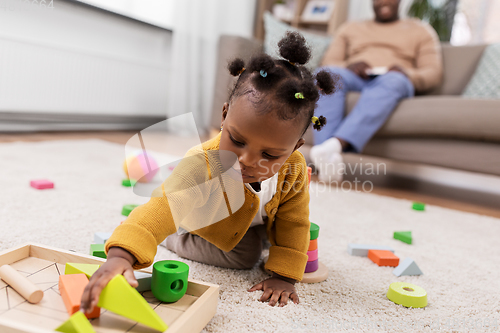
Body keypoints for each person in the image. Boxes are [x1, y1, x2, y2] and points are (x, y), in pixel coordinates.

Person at [80, 31, 336, 312]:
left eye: (270, 154)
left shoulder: (295, 168)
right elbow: (165, 205)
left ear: (295, 147)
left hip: (254, 220)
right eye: (237, 141)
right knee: (247, 254)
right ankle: (174, 237)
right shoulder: (203, 162)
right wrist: (121, 255)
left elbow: (294, 220)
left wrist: (285, 276)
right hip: (203, 224)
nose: (246, 160)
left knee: (278, 237)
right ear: (224, 115)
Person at [310, 0, 443, 182]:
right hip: (356, 77)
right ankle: (328, 159)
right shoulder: (350, 28)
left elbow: (433, 73)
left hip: (393, 80)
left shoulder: (421, 31)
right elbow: (328, 63)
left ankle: (333, 146)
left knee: (394, 80)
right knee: (325, 75)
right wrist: (349, 66)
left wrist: (406, 73)